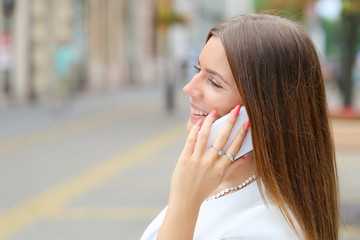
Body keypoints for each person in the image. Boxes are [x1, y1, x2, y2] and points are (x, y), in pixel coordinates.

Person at [141, 14, 339, 240]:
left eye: (214, 82)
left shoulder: (261, 230)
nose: (189, 88)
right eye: (198, 70)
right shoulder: (212, 181)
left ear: (265, 108)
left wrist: (183, 201)